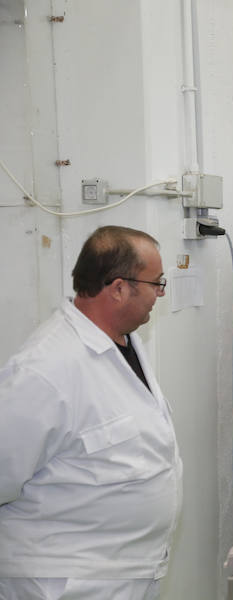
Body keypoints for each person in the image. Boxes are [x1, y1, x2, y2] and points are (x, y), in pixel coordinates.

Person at [0, 226, 180, 599]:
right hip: (64, 582)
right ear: (118, 288)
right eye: (156, 283)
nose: (160, 294)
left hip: (122, 572)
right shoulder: (44, 370)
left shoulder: (123, 343)